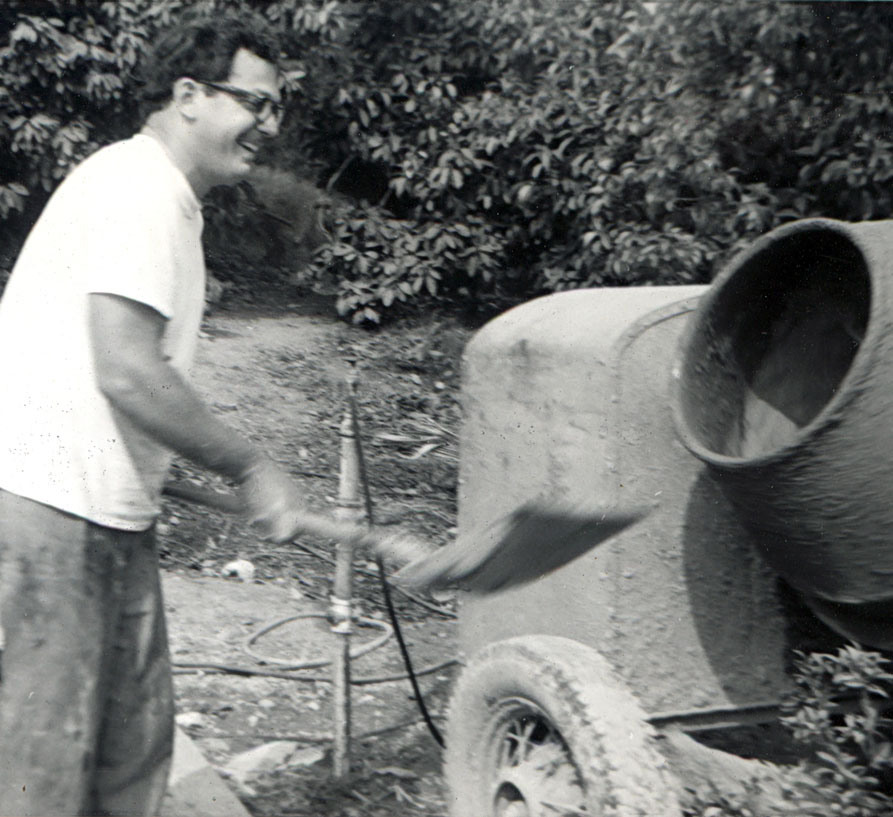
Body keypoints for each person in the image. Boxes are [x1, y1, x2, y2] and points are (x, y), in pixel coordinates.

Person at [0, 12, 306, 816]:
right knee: (44, 764)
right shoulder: (138, 188)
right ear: (188, 95)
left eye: (276, 108)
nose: (268, 125)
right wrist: (249, 463)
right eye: (255, 103)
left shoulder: (162, 195)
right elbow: (128, 369)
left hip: (105, 504)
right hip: (51, 507)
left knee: (133, 745)